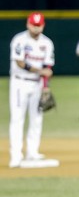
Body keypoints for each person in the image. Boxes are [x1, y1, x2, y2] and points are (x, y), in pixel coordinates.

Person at [8, 12, 55, 168]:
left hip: (37, 84)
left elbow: (48, 66)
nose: (36, 28)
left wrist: (46, 86)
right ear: (28, 24)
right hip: (19, 83)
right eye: (33, 25)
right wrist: (40, 72)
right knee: (17, 119)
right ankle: (16, 155)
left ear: (43, 25)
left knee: (36, 119)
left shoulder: (47, 43)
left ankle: (32, 152)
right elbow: (20, 62)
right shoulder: (19, 40)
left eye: (39, 25)